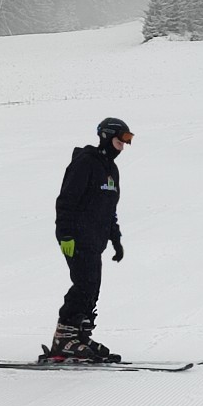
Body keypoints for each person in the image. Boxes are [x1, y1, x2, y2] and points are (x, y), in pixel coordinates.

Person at [42, 117, 132, 363]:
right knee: (84, 284)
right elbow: (66, 200)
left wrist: (115, 239)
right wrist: (66, 234)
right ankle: (63, 339)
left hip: (95, 239)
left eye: (128, 141)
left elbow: (109, 209)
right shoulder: (85, 163)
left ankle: (79, 335)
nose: (124, 146)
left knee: (92, 287)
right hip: (76, 236)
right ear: (107, 137)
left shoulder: (110, 169)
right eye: (122, 139)